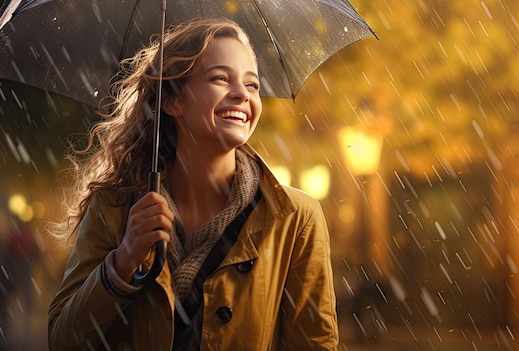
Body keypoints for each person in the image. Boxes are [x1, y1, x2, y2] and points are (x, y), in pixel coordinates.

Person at [48, 17, 338, 350]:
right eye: (220, 78)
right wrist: (123, 260)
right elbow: (62, 340)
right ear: (172, 101)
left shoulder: (296, 218)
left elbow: (315, 344)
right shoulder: (115, 207)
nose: (243, 95)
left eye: (252, 85)